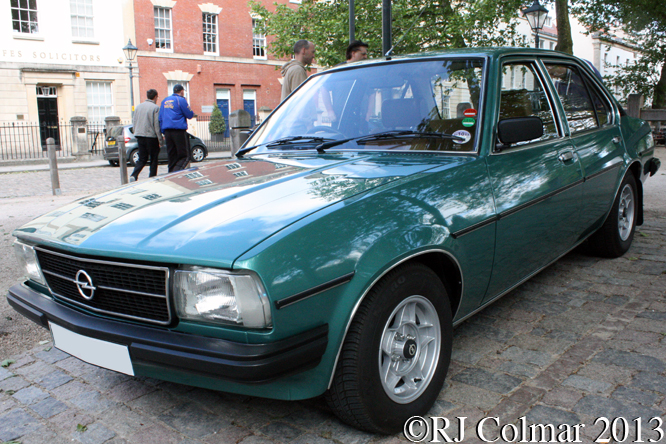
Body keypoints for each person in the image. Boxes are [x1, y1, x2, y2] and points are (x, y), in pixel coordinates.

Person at [129, 89, 163, 182]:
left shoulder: (138, 107)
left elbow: (134, 121)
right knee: (153, 158)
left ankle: (134, 175)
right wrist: (160, 140)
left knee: (142, 158)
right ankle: (152, 177)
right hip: (151, 136)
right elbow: (156, 125)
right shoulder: (155, 108)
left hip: (140, 135)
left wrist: (136, 132)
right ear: (155, 97)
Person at [159, 84, 194, 172]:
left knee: (172, 157)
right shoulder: (180, 100)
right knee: (185, 156)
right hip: (178, 130)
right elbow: (190, 115)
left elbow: (160, 118)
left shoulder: (164, 101)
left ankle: (170, 175)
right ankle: (175, 173)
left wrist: (163, 131)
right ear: (182, 91)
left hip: (167, 132)